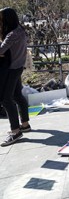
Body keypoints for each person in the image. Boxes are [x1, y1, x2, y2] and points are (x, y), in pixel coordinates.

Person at [0, 8, 30, 146]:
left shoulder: (12, 34)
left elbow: (1, 50)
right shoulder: (20, 30)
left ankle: (16, 131)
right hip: (18, 67)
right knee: (17, 95)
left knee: (6, 99)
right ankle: (24, 124)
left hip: (11, 69)